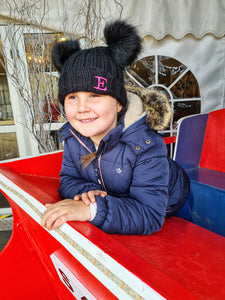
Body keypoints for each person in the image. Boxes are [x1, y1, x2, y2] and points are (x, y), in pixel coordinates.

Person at [41, 20, 191, 235]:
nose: (82, 108)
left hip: (174, 203)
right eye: (72, 97)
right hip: (123, 208)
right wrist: (87, 193)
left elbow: (149, 214)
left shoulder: (145, 144)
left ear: (119, 103)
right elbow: (69, 179)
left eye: (95, 95)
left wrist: (90, 209)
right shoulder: (74, 136)